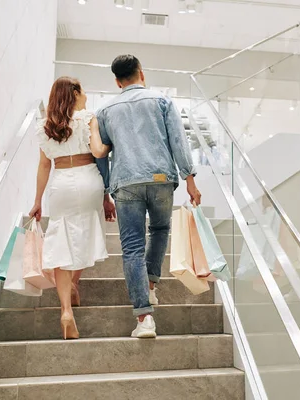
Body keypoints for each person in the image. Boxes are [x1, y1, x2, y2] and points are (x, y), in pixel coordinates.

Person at [96, 54, 201, 339]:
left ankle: (144, 319)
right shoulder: (163, 101)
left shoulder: (104, 110)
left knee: (131, 247)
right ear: (141, 73)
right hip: (160, 179)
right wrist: (190, 179)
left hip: (126, 182)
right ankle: (151, 285)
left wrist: (107, 190)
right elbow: (178, 141)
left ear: (117, 81)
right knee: (160, 230)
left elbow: (101, 156)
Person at [29, 77, 116, 340]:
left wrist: (37, 200)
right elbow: (99, 151)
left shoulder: (45, 127)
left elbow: (44, 166)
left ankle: (66, 310)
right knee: (85, 235)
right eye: (83, 90)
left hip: (61, 183)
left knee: (60, 242)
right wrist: (112, 144)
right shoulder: (87, 118)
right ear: (75, 93)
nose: (86, 95)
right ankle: (75, 283)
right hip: (89, 180)